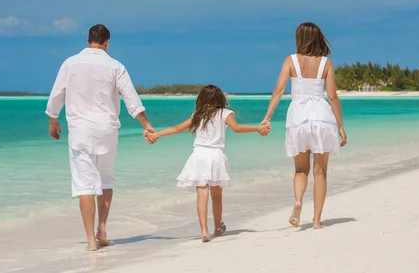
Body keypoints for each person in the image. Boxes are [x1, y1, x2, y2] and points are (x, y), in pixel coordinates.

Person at [45, 24, 155, 251]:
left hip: (80, 131)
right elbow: (131, 98)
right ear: (107, 43)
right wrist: (146, 125)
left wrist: (53, 120)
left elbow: (57, 94)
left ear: (88, 41)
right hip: (107, 130)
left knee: (85, 184)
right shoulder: (115, 66)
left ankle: (90, 242)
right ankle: (102, 230)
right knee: (105, 179)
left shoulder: (70, 63)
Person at [145, 85, 270, 242]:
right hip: (216, 156)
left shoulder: (198, 114)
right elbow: (237, 128)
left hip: (199, 155)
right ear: (220, 98)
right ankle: (217, 228)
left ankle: (204, 231)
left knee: (201, 194)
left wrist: (156, 135)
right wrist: (258, 128)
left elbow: (178, 128)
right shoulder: (225, 113)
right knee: (216, 195)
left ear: (201, 99)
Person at [260, 22, 347, 229]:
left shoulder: (290, 60)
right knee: (320, 172)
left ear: (299, 39)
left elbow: (278, 90)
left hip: (298, 117)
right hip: (321, 117)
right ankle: (317, 221)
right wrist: (341, 126)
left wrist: (267, 117)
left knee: (300, 170)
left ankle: (298, 201)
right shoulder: (326, 63)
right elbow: (332, 96)